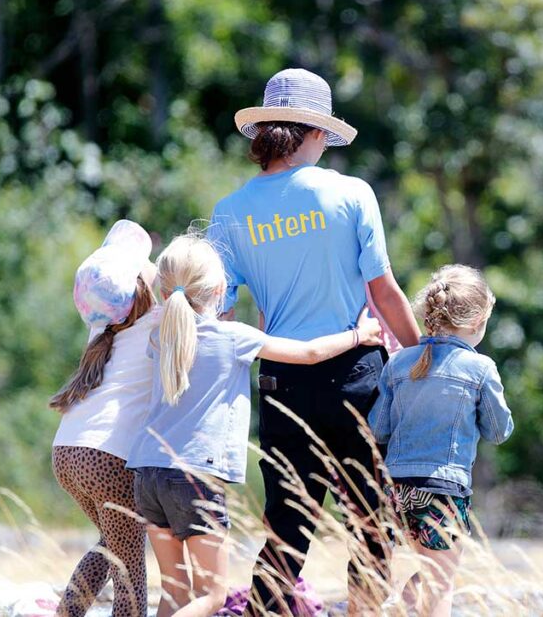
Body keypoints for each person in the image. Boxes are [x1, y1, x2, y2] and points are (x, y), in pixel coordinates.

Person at [208, 68, 420, 614]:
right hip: (358, 375)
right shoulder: (352, 194)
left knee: (287, 524)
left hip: (282, 380)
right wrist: (424, 356)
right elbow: (385, 291)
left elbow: (221, 310)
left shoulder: (230, 213)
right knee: (372, 522)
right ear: (315, 132)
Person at [124, 233, 385, 617]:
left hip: (147, 473)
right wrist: (360, 335)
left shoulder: (160, 337)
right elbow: (310, 354)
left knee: (175, 594)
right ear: (219, 289)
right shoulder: (234, 338)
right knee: (211, 597)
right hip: (195, 476)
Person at [368, 265, 514, 617]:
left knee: (431, 570)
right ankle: (397, 607)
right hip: (443, 487)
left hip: (398, 489)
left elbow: (378, 430)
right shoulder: (480, 369)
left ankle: (397, 605)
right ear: (478, 321)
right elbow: (498, 431)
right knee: (441, 581)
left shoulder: (398, 363)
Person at [50, 219, 159, 617]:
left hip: (67, 452)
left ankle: (68, 612)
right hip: (109, 458)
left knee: (113, 545)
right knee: (130, 571)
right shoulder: (159, 318)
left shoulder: (99, 328)